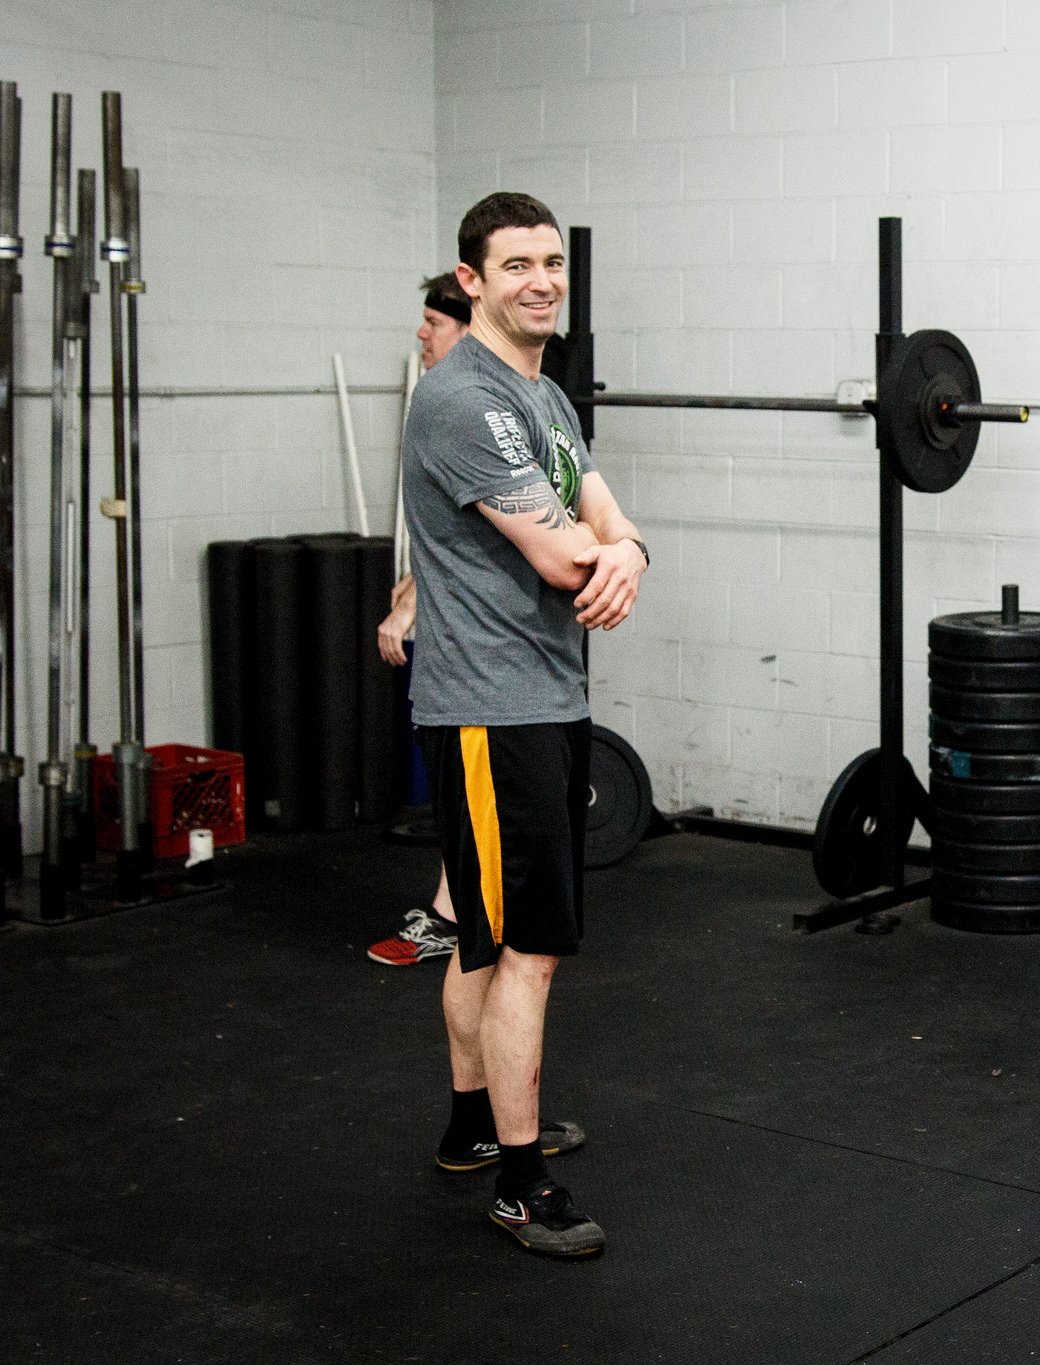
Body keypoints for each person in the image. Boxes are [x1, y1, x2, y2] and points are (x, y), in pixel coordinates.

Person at [405, 191, 647, 1256]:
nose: (542, 281)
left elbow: (604, 515)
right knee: (528, 952)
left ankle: (474, 1123)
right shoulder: (465, 401)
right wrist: (614, 550)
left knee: (486, 936)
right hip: (492, 710)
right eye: (516, 266)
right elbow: (564, 553)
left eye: (552, 262)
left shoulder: (542, 396)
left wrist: (630, 547)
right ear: (472, 281)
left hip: (538, 698)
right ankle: (518, 1181)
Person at [367, 273, 471, 969]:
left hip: (483, 656)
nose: (421, 332)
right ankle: (454, 913)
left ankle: (456, 919)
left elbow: (482, 549)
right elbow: (450, 537)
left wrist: (410, 605)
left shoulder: (467, 414)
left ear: (467, 329)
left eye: (434, 322)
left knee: (467, 789)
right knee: (457, 789)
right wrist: (411, 590)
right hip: (459, 643)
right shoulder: (444, 405)